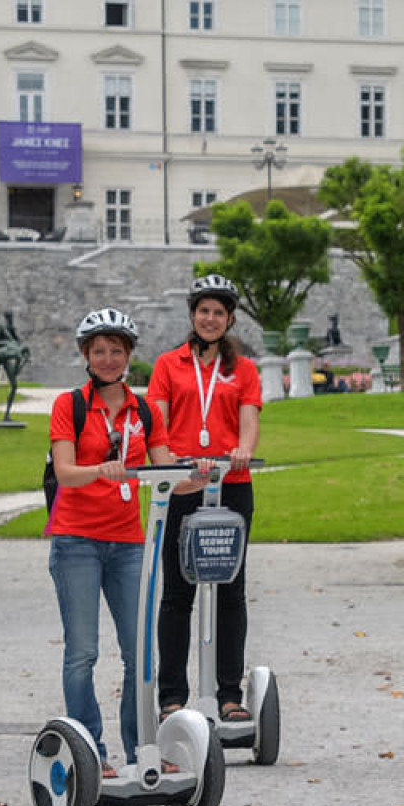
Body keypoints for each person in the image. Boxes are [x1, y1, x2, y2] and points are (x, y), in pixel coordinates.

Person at [47, 308, 201, 773]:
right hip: (76, 540)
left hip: (128, 544)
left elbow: (163, 473)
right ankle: (89, 750)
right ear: (86, 356)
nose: (109, 358)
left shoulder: (146, 411)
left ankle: (141, 748)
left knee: (140, 652)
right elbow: (65, 472)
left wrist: (197, 473)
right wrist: (103, 469)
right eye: (100, 351)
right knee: (83, 651)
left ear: (130, 356)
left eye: (117, 350)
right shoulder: (70, 406)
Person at [148, 275, 263, 723]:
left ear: (229, 318)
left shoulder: (244, 370)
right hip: (183, 486)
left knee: (231, 590)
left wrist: (244, 450)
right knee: (178, 592)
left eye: (219, 312)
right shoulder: (167, 365)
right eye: (203, 311)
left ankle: (229, 695)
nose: (210, 318)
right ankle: (172, 695)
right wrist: (171, 460)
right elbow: (157, 420)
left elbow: (248, 419)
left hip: (231, 486)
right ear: (192, 315)